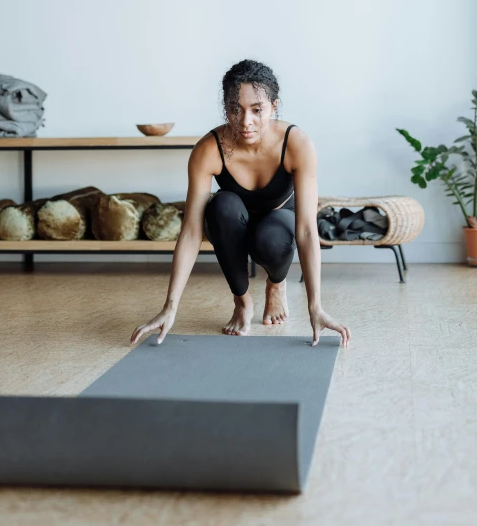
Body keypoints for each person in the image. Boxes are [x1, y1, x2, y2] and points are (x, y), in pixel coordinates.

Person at [130, 59, 351, 348]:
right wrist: (170, 306)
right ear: (226, 108)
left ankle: (276, 284)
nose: (245, 121)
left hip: (279, 222)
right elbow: (191, 231)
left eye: (257, 110)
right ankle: (242, 301)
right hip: (235, 221)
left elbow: (308, 230)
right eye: (235, 109)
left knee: (272, 236)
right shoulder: (209, 149)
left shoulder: (297, 143)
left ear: (273, 106)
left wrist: (316, 307)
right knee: (220, 207)